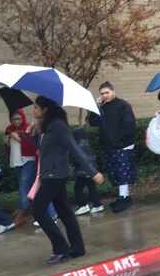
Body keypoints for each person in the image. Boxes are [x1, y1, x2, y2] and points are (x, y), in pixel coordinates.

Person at [30, 96, 105, 264]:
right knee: (65, 212)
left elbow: (74, 148)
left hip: (55, 175)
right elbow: (44, 150)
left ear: (45, 109)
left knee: (38, 210)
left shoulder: (58, 126)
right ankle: (77, 248)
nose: (33, 110)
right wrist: (35, 133)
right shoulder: (47, 126)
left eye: (36, 107)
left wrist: (93, 173)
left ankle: (61, 249)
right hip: (50, 174)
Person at [87, 82, 137, 213]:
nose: (104, 95)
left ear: (113, 91)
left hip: (122, 146)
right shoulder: (102, 107)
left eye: (107, 92)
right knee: (115, 172)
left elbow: (129, 125)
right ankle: (122, 197)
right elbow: (93, 122)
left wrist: (120, 142)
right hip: (108, 146)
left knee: (123, 172)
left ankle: (124, 198)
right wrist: (95, 106)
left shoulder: (123, 105)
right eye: (102, 93)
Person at [4, 109, 38, 226]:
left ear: (23, 118)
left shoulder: (29, 127)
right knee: (23, 186)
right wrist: (7, 141)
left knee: (24, 186)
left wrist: (17, 137)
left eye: (18, 118)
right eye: (13, 119)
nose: (16, 121)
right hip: (16, 161)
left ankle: (23, 211)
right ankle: (29, 210)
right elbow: (8, 147)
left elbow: (31, 144)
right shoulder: (9, 129)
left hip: (28, 160)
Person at [71, 127, 103, 214]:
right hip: (91, 170)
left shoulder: (77, 146)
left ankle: (83, 205)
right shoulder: (86, 144)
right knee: (91, 187)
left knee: (78, 188)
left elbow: (77, 159)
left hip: (83, 171)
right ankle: (97, 205)